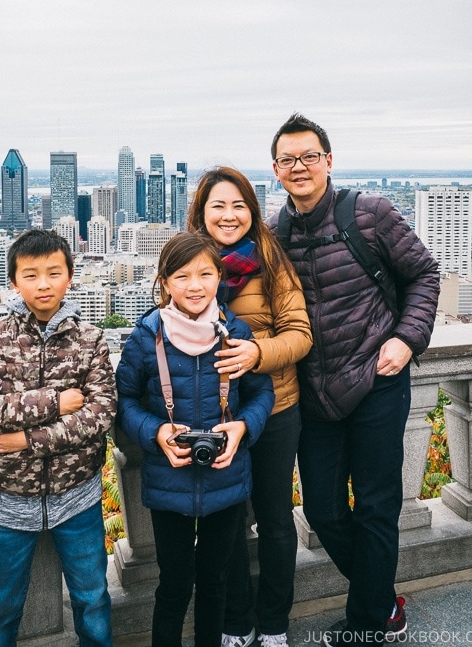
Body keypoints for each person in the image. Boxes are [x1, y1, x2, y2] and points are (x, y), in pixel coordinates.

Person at [268, 113, 440, 644]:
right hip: (315, 395)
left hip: (376, 382)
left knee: (376, 505)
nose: (300, 167)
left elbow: (424, 274)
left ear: (328, 161)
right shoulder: (275, 235)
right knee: (321, 509)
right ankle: (384, 599)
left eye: (309, 157)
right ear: (276, 170)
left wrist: (406, 338)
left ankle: (370, 622)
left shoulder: (370, 213)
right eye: (288, 160)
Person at [115, 232, 275, 647]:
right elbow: (125, 400)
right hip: (169, 481)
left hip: (227, 477)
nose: (195, 285)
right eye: (182, 275)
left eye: (206, 273)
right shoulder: (145, 338)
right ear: (164, 282)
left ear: (219, 277)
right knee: (173, 585)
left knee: (215, 581)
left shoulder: (235, 332)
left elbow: (261, 394)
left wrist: (242, 428)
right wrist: (156, 432)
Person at [0, 229, 116, 647]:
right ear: (13, 281)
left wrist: (26, 440)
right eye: (30, 275)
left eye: (53, 273)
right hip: (8, 499)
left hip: (77, 495)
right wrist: (56, 401)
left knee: (93, 600)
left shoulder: (90, 339)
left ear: (70, 276)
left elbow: (100, 415)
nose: (43, 284)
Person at [188, 167, 313, 647]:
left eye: (239, 205)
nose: (229, 215)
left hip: (277, 408)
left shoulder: (270, 257)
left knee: (276, 519)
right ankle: (236, 622)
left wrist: (257, 353)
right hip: (217, 414)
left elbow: (300, 335)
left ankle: (276, 624)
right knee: (227, 521)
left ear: (252, 211)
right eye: (218, 205)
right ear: (201, 212)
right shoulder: (188, 260)